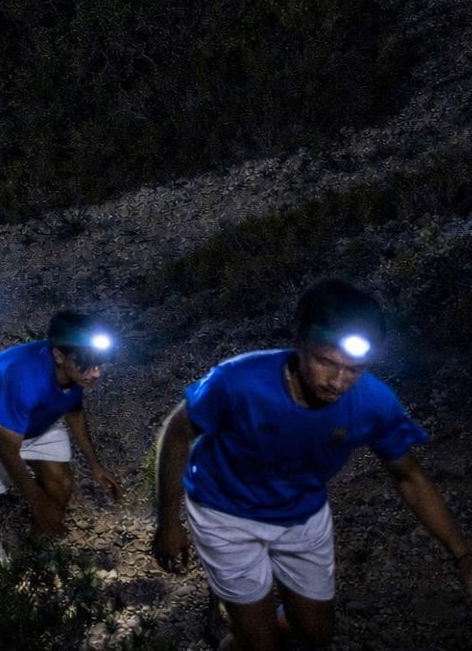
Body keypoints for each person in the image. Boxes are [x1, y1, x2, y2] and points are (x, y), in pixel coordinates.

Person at [153, 278, 472, 650]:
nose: (338, 382)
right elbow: (178, 434)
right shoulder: (238, 381)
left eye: (354, 369)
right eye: (326, 362)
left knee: (317, 634)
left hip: (303, 514)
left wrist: (462, 554)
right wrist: (168, 523)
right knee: (261, 646)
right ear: (299, 341)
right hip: (225, 515)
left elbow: (409, 476)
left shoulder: (373, 403)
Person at [0, 309, 122, 561]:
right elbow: (7, 451)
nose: (97, 373)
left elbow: (74, 410)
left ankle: (32, 554)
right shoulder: (27, 379)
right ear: (58, 355)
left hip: (35, 416)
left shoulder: (71, 371)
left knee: (61, 483)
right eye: (89, 365)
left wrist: (95, 465)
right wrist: (38, 504)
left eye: (99, 364)